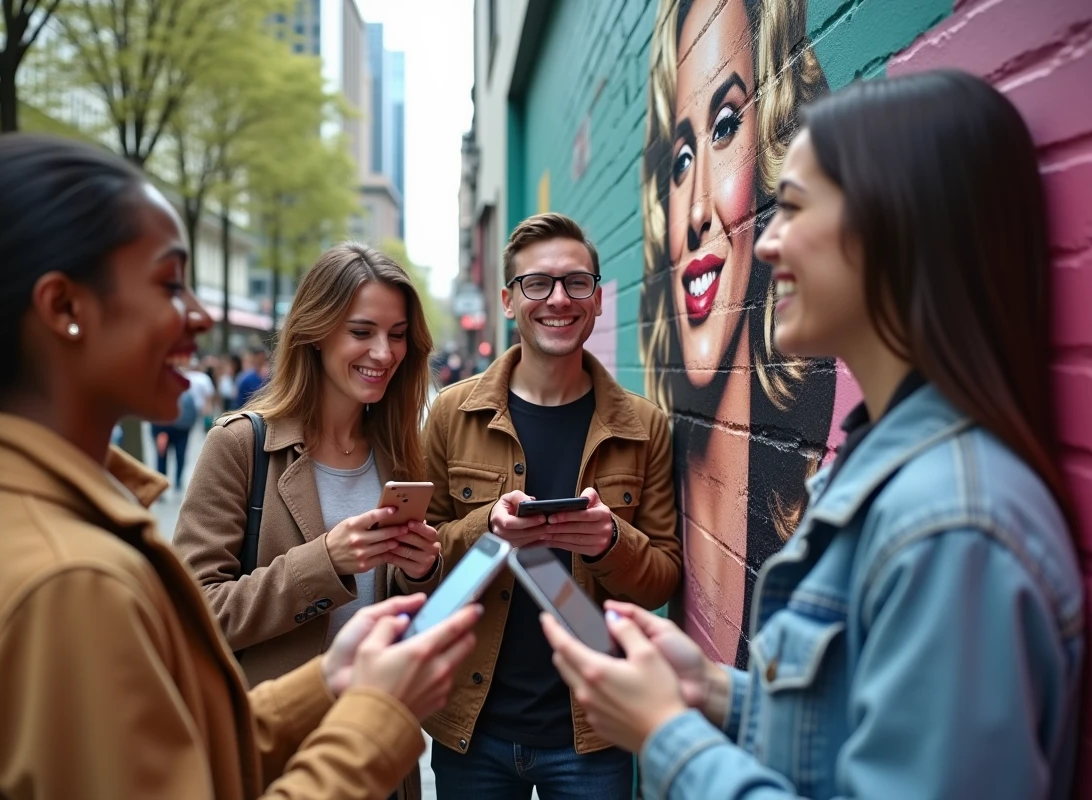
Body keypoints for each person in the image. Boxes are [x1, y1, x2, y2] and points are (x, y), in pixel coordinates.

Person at [541, 71, 1084, 799]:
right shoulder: (888, 477)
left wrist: (668, 737)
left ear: (897, 221)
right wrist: (711, 689)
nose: (763, 243)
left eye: (791, 208)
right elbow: (852, 721)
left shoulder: (953, 528)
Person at [0, 133, 481, 799]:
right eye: (170, 284)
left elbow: (182, 755)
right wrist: (378, 713)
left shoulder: (26, 523)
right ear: (64, 308)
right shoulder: (69, 576)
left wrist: (332, 681)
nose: (200, 316)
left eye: (397, 335)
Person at [416, 212, 682, 799]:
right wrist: (487, 530)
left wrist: (611, 542)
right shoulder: (451, 416)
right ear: (509, 300)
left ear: (597, 300)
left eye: (576, 283)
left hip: (593, 727)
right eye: (537, 283)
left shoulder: (644, 427)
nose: (558, 299)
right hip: (474, 727)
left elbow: (662, 580)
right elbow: (418, 565)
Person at [173, 243, 442, 799]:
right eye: (362, 331)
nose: (384, 352)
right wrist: (325, 562)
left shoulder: (398, 453)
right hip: (276, 756)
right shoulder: (241, 445)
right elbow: (191, 613)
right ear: (317, 332)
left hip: (379, 751)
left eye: (396, 335)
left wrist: (421, 572)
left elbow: (398, 613)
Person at [638, 0, 835, 667]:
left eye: (725, 126)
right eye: (678, 158)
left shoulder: (825, 510)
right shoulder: (651, 448)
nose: (694, 214)